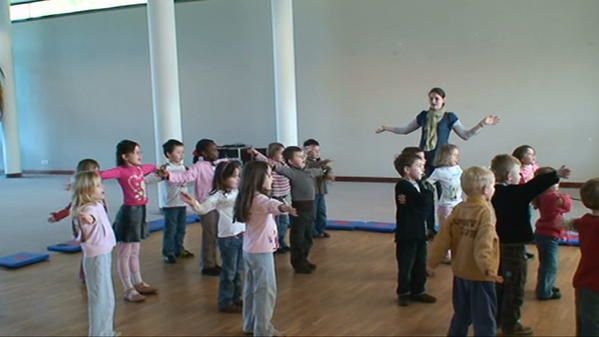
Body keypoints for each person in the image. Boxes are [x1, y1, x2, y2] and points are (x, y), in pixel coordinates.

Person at [428, 166, 502, 336]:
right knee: (484, 317)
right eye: (493, 186)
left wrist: (431, 262)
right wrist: (488, 269)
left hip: (460, 272)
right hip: (480, 275)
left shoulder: (459, 208)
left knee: (462, 314)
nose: (494, 189)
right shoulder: (485, 212)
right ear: (485, 190)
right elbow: (484, 243)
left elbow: (442, 238)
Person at [376, 87, 499, 174]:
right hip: (424, 157)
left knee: (442, 191)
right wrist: (386, 128)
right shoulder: (423, 116)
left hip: (442, 158)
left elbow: (465, 135)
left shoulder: (449, 117)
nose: (433, 101)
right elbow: (405, 130)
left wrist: (482, 124)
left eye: (436, 98)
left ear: (443, 100)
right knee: (425, 188)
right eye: (431, 98)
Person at [393, 152, 436, 307]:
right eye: (418, 166)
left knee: (420, 262)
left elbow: (424, 203)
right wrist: (422, 198)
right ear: (406, 170)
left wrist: (418, 200)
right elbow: (424, 201)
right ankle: (403, 292)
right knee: (406, 264)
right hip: (407, 232)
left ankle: (418, 291)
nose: (422, 170)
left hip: (420, 231)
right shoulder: (403, 185)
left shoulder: (418, 185)